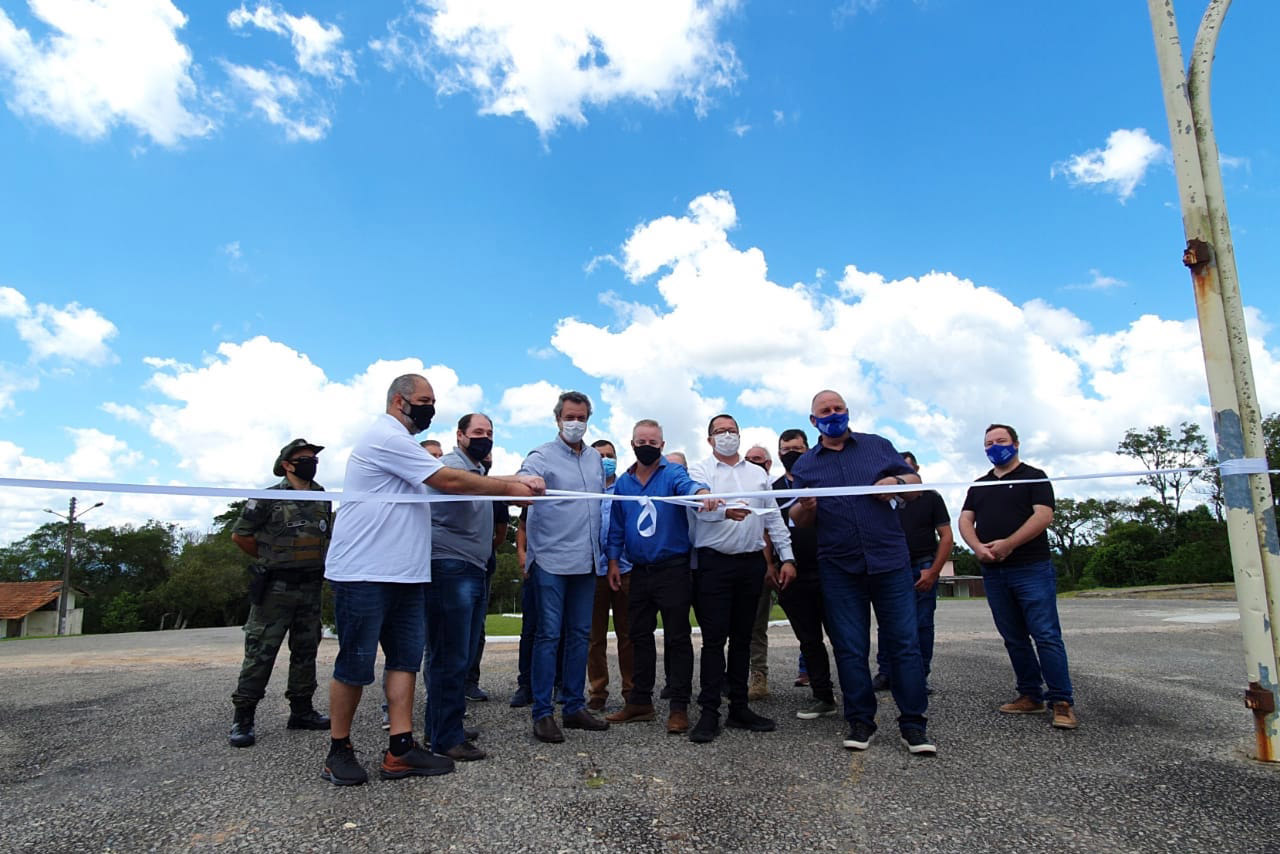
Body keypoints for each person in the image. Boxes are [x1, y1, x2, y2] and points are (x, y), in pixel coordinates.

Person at [320, 374, 543, 787]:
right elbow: (448, 480)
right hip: (363, 571)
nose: (430, 408)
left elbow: (452, 481)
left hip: (406, 571)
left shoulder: (404, 444)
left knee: (405, 661)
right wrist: (511, 487)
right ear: (399, 401)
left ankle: (401, 749)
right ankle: (339, 749)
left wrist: (510, 483)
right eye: (424, 400)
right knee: (355, 663)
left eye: (433, 401)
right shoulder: (386, 438)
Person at [788, 390, 936, 756]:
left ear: (848, 412)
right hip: (839, 567)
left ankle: (914, 725)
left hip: (889, 561)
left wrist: (897, 484)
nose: (833, 414)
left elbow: (915, 482)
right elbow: (797, 518)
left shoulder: (877, 446)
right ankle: (860, 721)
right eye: (826, 411)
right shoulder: (806, 465)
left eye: (839, 409)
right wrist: (806, 508)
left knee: (904, 645)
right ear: (813, 421)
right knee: (851, 649)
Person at [958, 423, 1077, 730]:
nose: (995, 447)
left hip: (1030, 567)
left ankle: (1061, 701)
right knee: (1013, 637)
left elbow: (1043, 515)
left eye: (1000, 440)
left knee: (1046, 635)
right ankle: (1029, 695)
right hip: (994, 572)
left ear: (1016, 443)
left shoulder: (1034, 476)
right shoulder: (979, 485)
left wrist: (1008, 544)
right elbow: (965, 520)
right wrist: (977, 548)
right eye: (989, 443)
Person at [686, 417, 795, 743]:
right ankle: (709, 711)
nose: (727, 436)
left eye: (732, 430)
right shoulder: (700, 471)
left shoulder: (757, 473)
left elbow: (772, 516)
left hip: (750, 564)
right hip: (714, 565)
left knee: (743, 639)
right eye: (720, 431)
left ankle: (739, 708)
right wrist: (723, 511)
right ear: (709, 439)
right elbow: (696, 507)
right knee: (714, 639)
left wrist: (787, 556)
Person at [605, 419, 714, 735]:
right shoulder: (623, 484)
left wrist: (703, 493)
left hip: (673, 568)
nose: (647, 446)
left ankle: (678, 706)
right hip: (638, 571)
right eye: (642, 440)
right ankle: (640, 702)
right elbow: (616, 525)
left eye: (653, 442)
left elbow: (689, 487)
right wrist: (613, 561)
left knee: (677, 638)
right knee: (637, 635)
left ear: (662, 446)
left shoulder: (673, 474)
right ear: (632, 442)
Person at [517, 391, 610, 743]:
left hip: (586, 561)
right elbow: (523, 477)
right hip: (553, 561)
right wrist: (530, 481)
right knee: (549, 636)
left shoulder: (594, 460)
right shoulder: (541, 455)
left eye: (582, 417)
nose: (576, 423)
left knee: (580, 637)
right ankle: (542, 713)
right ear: (558, 419)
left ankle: (573, 707)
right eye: (570, 417)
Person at [227, 438, 333, 748]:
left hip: (311, 586)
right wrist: (270, 558)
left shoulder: (321, 496)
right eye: (304, 457)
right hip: (276, 588)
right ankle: (243, 717)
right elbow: (240, 535)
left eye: (313, 457)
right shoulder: (266, 497)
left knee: (305, 651)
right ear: (287, 464)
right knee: (261, 653)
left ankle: (301, 710)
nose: (311, 462)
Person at [422, 414, 502, 763]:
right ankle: (445, 737)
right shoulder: (452, 466)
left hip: (472, 567)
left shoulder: (478, 472)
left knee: (461, 653)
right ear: (460, 435)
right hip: (450, 567)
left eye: (489, 433)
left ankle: (443, 725)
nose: (484, 438)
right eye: (477, 432)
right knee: (449, 655)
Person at [873, 451, 953, 693]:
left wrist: (934, 571)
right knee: (887, 623)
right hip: (890, 568)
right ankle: (886, 672)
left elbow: (947, 536)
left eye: (908, 470)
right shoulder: (881, 498)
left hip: (922, 566)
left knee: (922, 624)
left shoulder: (931, 498)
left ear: (916, 470)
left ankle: (919, 675)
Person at [773, 429, 837, 721]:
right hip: (792, 575)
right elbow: (765, 532)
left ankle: (857, 695)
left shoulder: (824, 482)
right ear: (779, 453)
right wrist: (769, 566)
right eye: (786, 449)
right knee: (809, 640)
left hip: (831, 570)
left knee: (844, 638)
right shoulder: (771, 488)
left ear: (808, 450)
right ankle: (823, 696)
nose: (791, 453)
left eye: (797, 448)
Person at [587, 439, 633, 712]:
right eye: (600, 455)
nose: (606, 459)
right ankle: (597, 690)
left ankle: (631, 690)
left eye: (610, 455)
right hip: (593, 570)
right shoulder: (585, 489)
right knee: (594, 637)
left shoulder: (626, 488)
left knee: (629, 635)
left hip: (626, 568)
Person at [743, 444, 776, 702]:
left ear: (768, 464)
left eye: (758, 460)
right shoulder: (743, 489)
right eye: (748, 460)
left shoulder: (779, 488)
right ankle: (754, 675)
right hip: (758, 564)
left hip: (789, 563)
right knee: (751, 625)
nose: (753, 464)